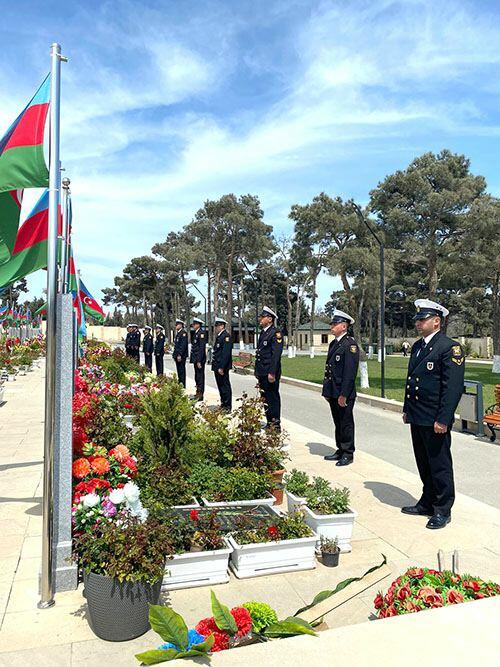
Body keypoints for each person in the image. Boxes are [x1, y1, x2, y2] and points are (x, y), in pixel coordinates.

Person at [401, 299, 465, 529]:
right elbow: (412, 379)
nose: (418, 323)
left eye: (423, 319)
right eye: (417, 319)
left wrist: (444, 418)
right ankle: (427, 502)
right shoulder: (418, 346)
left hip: (434, 417)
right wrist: (407, 409)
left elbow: (452, 388)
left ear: (437, 321)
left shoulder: (449, 347)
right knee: (423, 462)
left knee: (439, 464)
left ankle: (443, 509)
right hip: (417, 415)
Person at [322, 310, 360, 467]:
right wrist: (327, 391)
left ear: (344, 326)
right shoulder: (334, 344)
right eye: (332, 323)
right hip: (333, 391)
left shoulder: (350, 345)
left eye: (335, 324)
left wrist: (344, 394)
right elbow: (329, 369)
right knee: (337, 422)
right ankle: (340, 449)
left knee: (345, 423)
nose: (331, 326)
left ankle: (348, 453)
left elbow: (350, 373)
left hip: (344, 393)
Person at [255, 306, 284, 431]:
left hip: (270, 372)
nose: (260, 319)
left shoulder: (276, 333)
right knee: (265, 398)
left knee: (272, 398)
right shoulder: (263, 333)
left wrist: (272, 372)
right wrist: (257, 371)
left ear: (270, 319)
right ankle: (269, 422)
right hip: (262, 371)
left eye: (263, 317)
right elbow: (260, 353)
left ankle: (275, 425)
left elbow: (275, 355)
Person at [211, 317, 233, 411]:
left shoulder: (226, 336)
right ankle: (223, 403)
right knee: (220, 386)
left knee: (225, 386)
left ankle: (227, 406)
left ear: (222, 326)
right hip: (217, 365)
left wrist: (222, 367)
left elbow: (225, 354)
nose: (215, 328)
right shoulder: (220, 336)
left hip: (222, 366)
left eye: (217, 326)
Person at [190, 317, 207, 400]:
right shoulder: (196, 333)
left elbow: (201, 348)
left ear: (198, 325)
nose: (193, 326)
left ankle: (200, 395)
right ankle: (197, 392)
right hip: (196, 359)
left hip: (199, 359)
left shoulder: (201, 333)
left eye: (194, 324)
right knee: (197, 376)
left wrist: (199, 360)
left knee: (200, 377)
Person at [172, 318, 189, 387]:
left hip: (181, 356)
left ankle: (182, 385)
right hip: (177, 355)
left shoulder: (183, 333)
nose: (176, 326)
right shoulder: (178, 333)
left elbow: (183, 345)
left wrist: (179, 355)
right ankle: (180, 383)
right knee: (179, 371)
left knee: (181, 371)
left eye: (177, 324)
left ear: (181, 325)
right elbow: (176, 346)